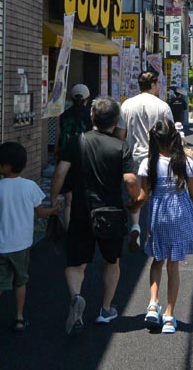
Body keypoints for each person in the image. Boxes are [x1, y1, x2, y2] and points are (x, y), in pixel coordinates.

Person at [50, 97, 139, 335]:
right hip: (111, 213)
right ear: (116, 121)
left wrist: (54, 198)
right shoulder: (121, 146)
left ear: (92, 117)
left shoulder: (77, 141)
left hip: (81, 211)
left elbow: (60, 172)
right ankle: (106, 309)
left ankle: (76, 297)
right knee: (112, 261)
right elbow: (130, 180)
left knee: (75, 263)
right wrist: (136, 199)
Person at [0, 142, 59, 346]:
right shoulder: (30, 186)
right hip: (21, 245)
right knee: (20, 282)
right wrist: (53, 210)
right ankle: (19, 318)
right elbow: (40, 212)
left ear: (5, 166)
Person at [133, 118, 193, 334]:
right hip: (179, 212)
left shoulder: (148, 163)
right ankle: (168, 316)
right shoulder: (184, 162)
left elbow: (144, 195)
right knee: (173, 266)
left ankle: (152, 304)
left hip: (158, 213)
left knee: (157, 260)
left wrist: (132, 208)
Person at [117, 71, 174, 253]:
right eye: (159, 83)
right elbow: (170, 134)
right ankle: (152, 235)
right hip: (156, 158)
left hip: (132, 157)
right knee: (155, 197)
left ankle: (135, 227)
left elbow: (120, 134)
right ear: (154, 84)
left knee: (136, 195)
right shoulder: (162, 107)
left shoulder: (127, 105)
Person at [55, 84, 92, 228]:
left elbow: (59, 138)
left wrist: (57, 154)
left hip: (66, 159)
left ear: (71, 98)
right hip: (86, 158)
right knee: (87, 198)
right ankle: (86, 229)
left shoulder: (64, 115)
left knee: (68, 202)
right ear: (87, 98)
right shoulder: (91, 115)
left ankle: (68, 231)